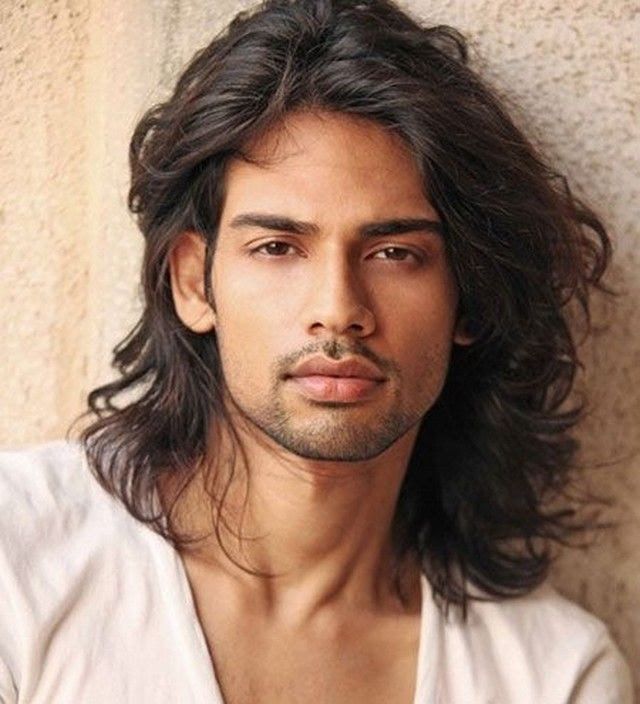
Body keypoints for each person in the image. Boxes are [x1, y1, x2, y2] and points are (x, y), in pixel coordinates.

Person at [0, 0, 633, 701]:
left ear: (470, 297)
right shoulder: (19, 562)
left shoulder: (551, 676)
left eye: (395, 253)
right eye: (277, 247)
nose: (338, 309)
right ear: (194, 282)